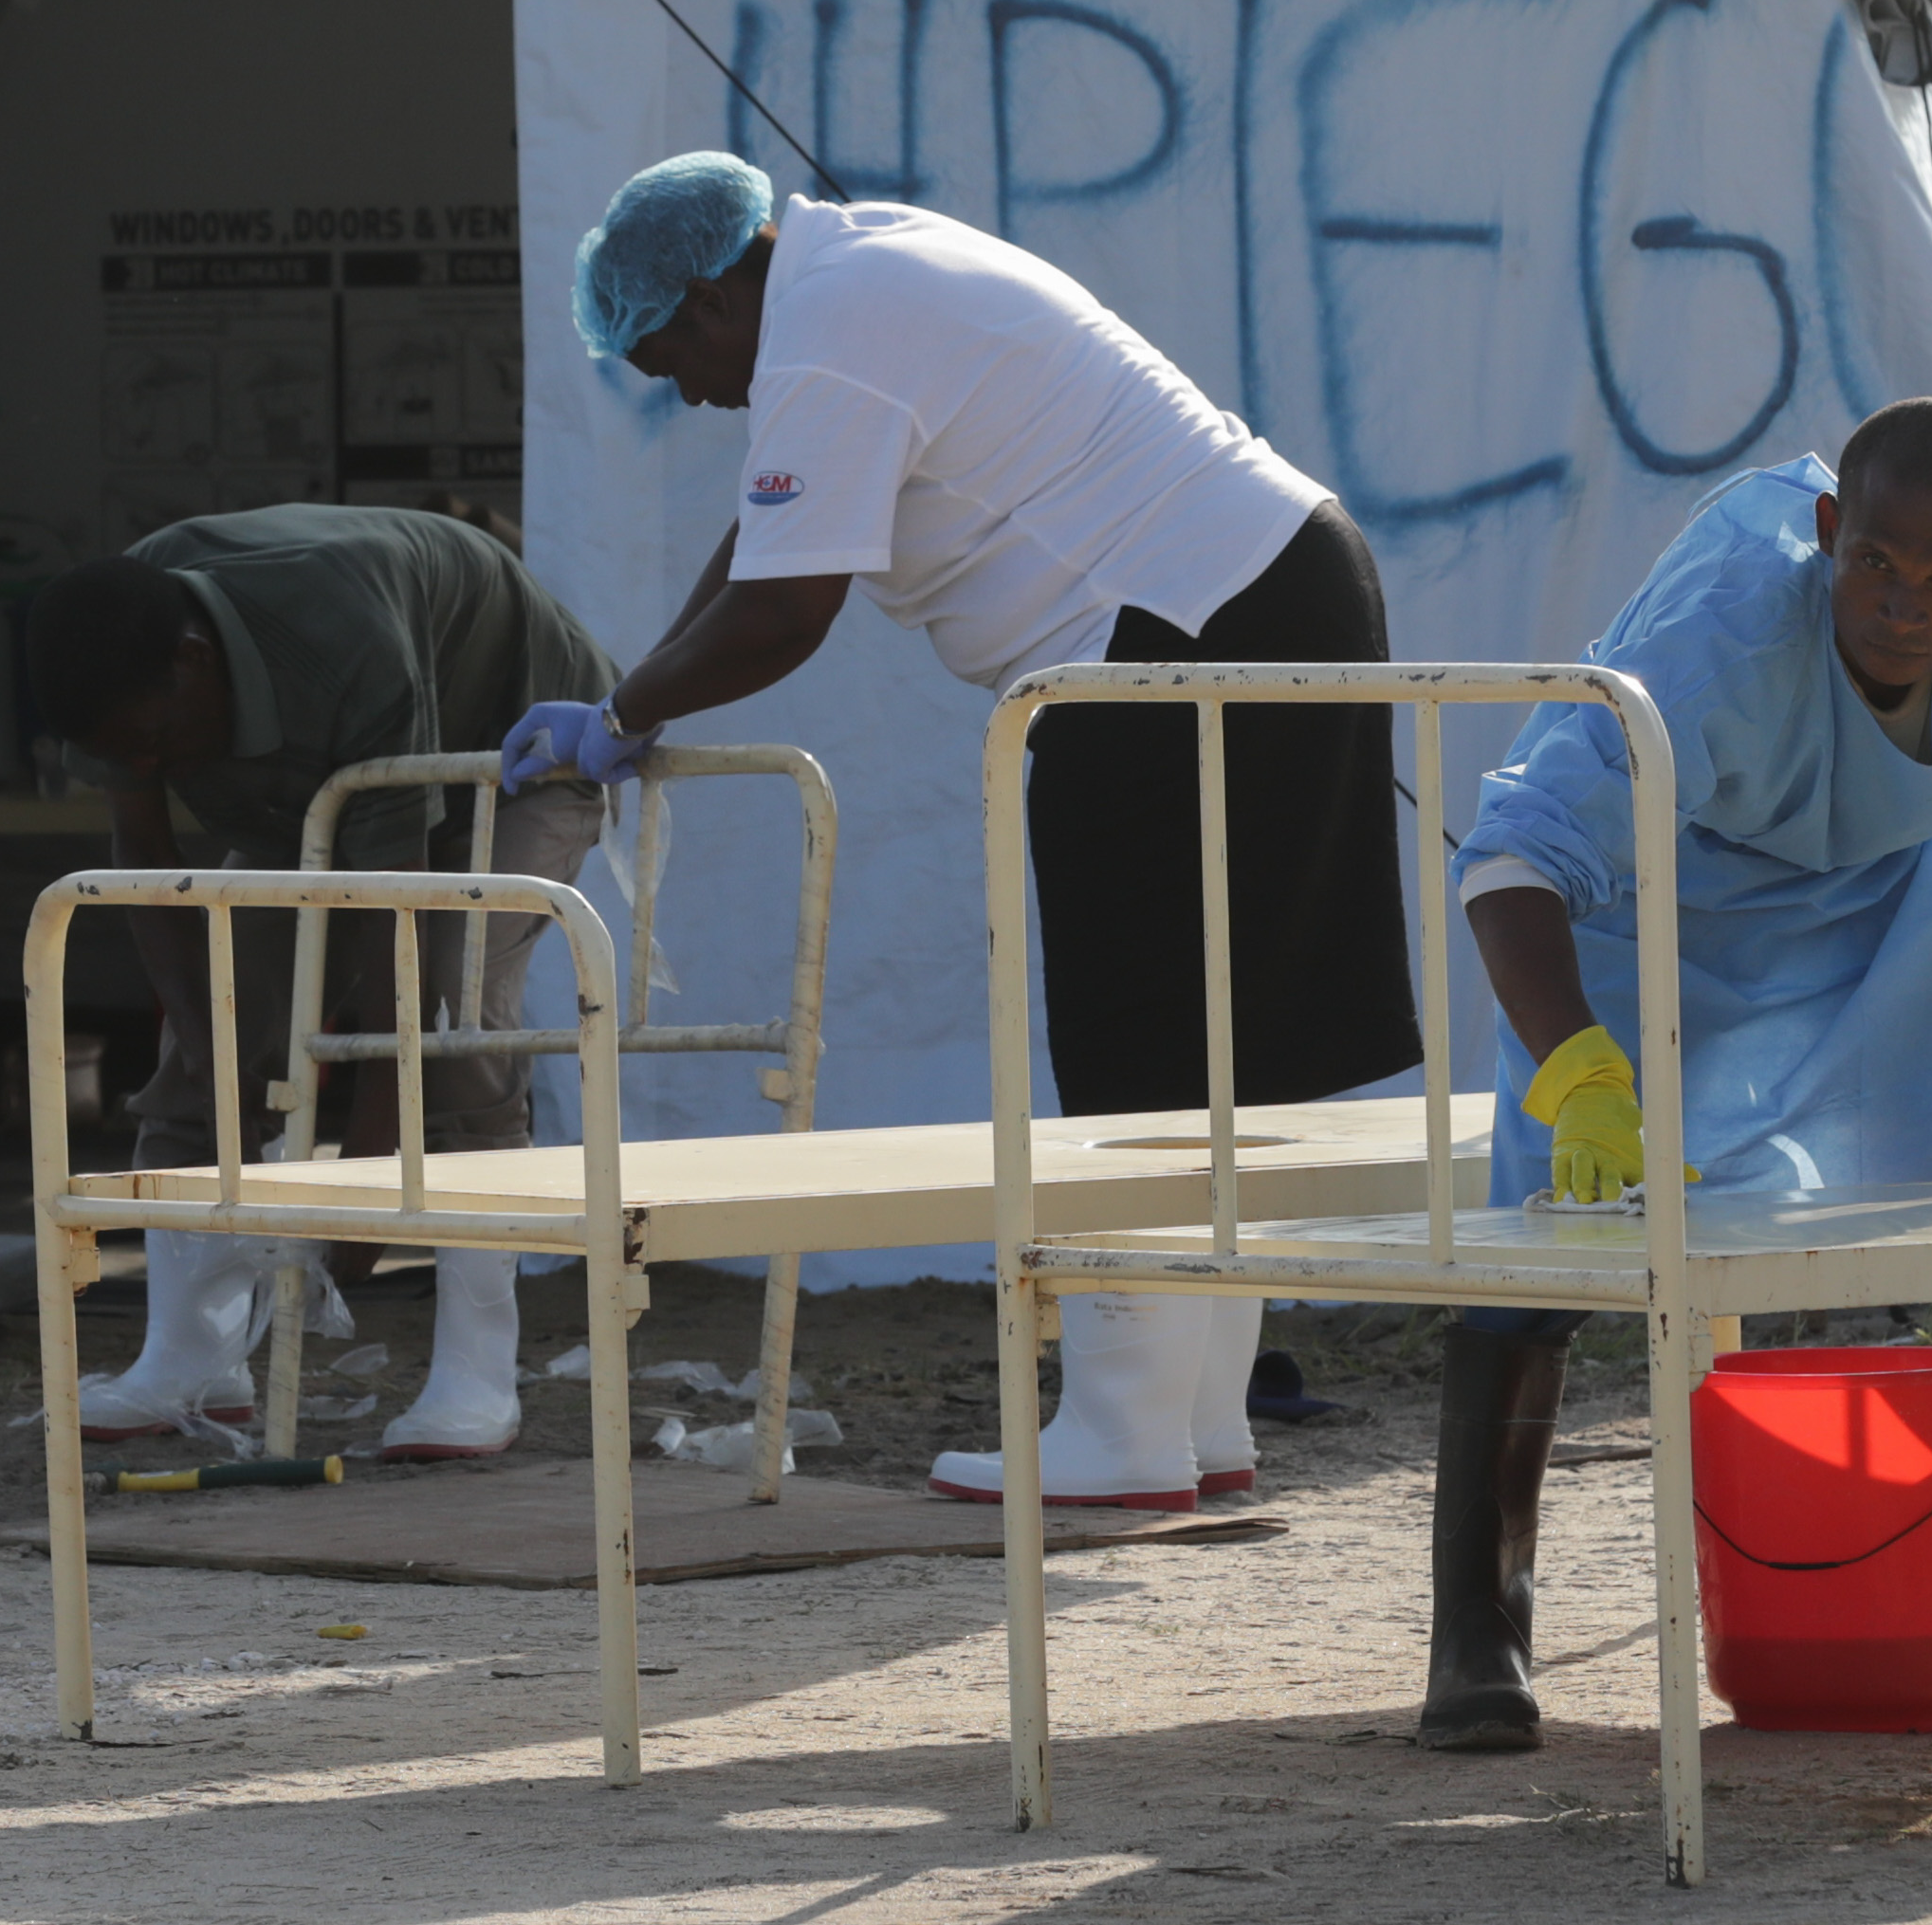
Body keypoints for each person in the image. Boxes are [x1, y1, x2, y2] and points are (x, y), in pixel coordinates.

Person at [523, 151, 1420, 1512]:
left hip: (1166, 633)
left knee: (1144, 1036)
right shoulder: (854, 269)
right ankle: (1198, 1417)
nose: (694, 394)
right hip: (1270, 582)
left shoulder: (828, 334)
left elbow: (784, 612)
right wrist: (631, 693)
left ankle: (1122, 1427)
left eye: (671, 361)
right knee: (1224, 1043)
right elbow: (764, 537)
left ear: (711, 295)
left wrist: (622, 712)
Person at [1421, 398, 1932, 1750]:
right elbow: (1513, 863)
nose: (1905, 606)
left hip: (1906, 899)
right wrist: (1579, 1074)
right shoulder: (1719, 639)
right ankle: (1476, 1644)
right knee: (1539, 1254)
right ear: (1823, 536)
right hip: (1659, 927)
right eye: (1873, 563)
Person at [29, 504, 616, 1461]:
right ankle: (190, 1360)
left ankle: (477, 1375)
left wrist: (362, 1203)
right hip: (316, 781)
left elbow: (400, 953)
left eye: (153, 741)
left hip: (519, 752)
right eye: (122, 754)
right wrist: (212, 1051)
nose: (144, 765)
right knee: (212, 1026)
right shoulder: (119, 658)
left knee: (458, 1021)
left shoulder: (342, 630)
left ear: (195, 658)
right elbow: (146, 858)